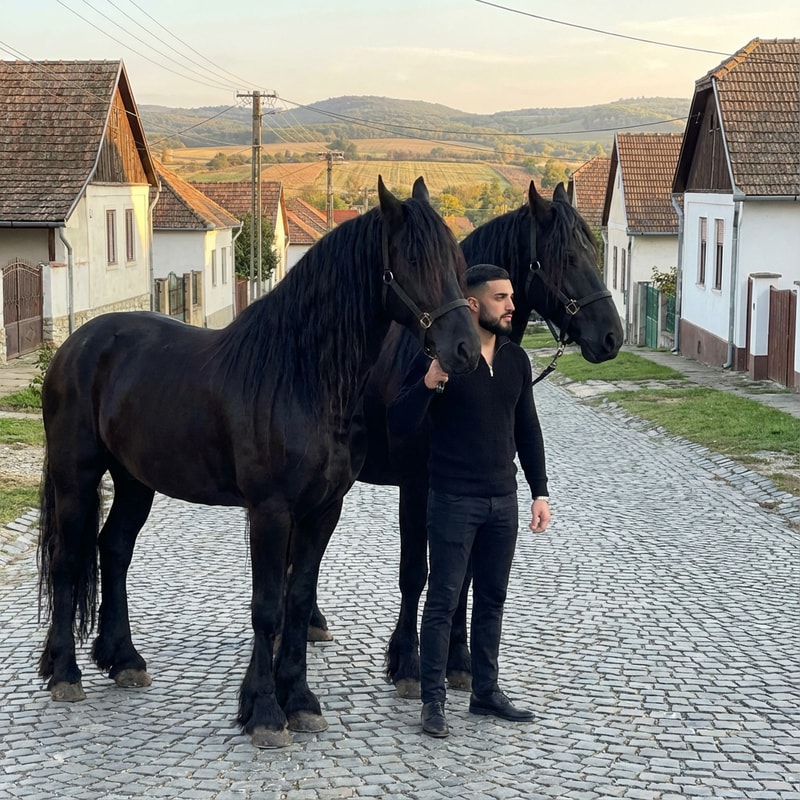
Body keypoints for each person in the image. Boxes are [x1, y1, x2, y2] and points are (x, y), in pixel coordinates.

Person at [388, 263, 551, 738]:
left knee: (493, 600)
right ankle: (433, 701)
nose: (512, 306)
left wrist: (540, 491)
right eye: (502, 298)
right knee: (443, 599)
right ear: (475, 304)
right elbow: (399, 422)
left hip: (504, 501)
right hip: (453, 500)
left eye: (512, 297)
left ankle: (485, 692)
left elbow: (528, 429)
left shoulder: (517, 360)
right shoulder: (448, 358)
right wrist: (429, 382)